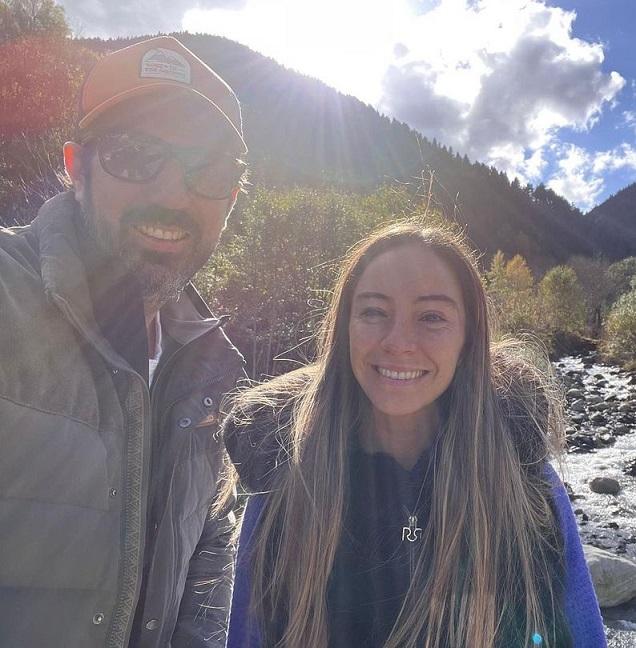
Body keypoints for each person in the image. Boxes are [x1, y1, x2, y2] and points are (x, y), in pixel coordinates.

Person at [222, 223, 606, 648]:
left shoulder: (524, 478)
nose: (399, 342)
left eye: (431, 317)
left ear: (468, 338)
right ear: (345, 327)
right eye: (373, 312)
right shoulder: (283, 470)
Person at [0, 36, 248, 647]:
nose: (172, 194)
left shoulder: (211, 370)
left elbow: (209, 557)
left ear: (233, 196)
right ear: (75, 167)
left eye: (209, 169)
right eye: (134, 155)